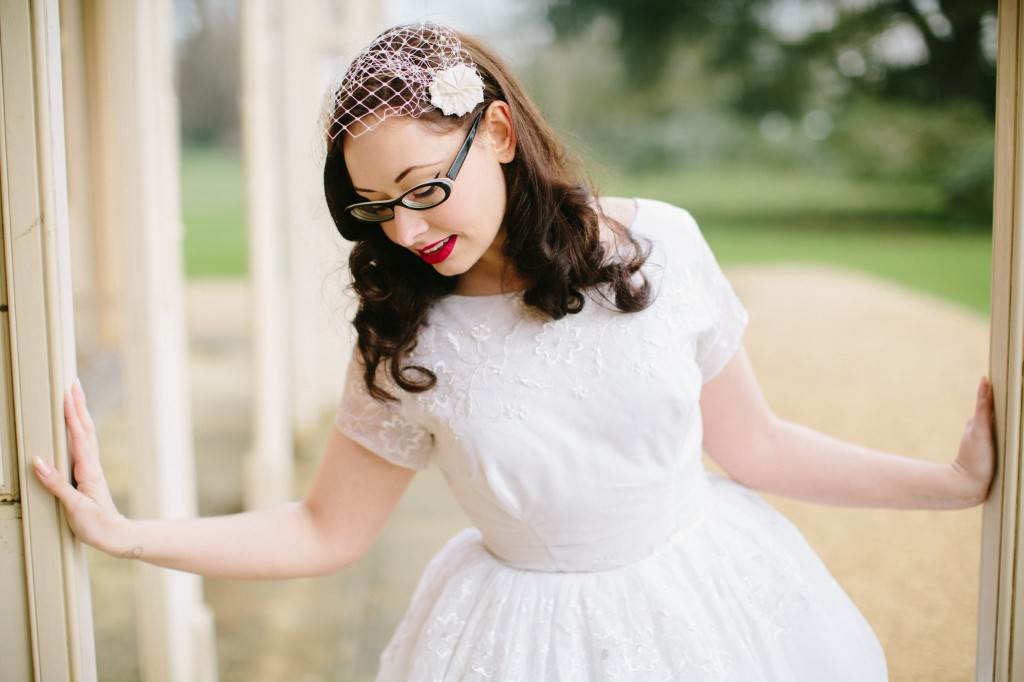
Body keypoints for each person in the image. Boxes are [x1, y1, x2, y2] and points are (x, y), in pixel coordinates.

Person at [35, 20, 996, 682]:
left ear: (494, 131)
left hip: (716, 604)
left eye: (423, 186)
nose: (406, 233)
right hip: (524, 640)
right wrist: (133, 536)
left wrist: (950, 484)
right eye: (376, 208)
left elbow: (760, 449)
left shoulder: (657, 244)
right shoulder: (404, 339)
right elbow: (325, 530)